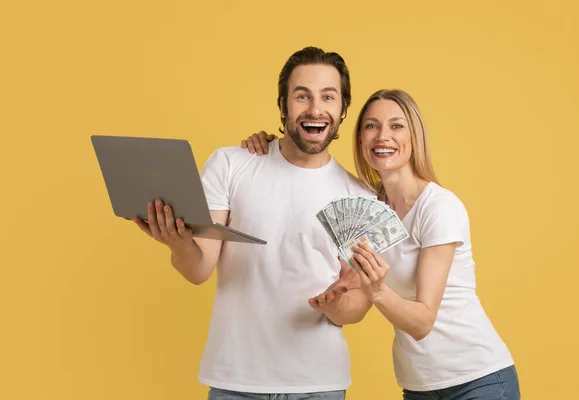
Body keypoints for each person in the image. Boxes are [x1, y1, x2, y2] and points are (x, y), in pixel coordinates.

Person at [241, 89, 520, 399]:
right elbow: (356, 281)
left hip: (479, 380)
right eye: (371, 126)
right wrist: (272, 148)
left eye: (396, 126)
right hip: (419, 387)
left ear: (415, 137)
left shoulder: (439, 207)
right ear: (360, 139)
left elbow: (423, 322)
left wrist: (377, 290)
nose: (382, 136)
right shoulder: (369, 206)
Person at [132, 46, 373, 400]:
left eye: (328, 97)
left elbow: (358, 304)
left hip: (317, 384)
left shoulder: (359, 196)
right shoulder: (231, 164)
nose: (315, 108)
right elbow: (198, 270)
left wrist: (337, 305)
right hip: (236, 380)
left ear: (342, 109)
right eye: (301, 96)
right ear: (283, 105)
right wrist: (179, 243)